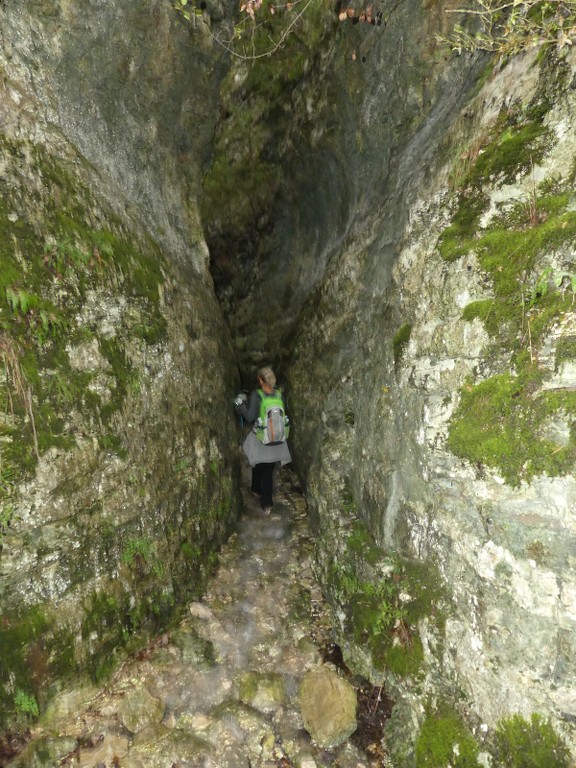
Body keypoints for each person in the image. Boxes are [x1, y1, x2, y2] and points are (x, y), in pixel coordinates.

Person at [235, 366, 291, 513]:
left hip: (262, 437)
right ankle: (256, 489)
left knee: (263, 466)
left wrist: (240, 406)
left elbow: (249, 417)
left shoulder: (256, 395)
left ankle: (266, 502)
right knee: (265, 465)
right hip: (277, 438)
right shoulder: (279, 395)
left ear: (261, 380)